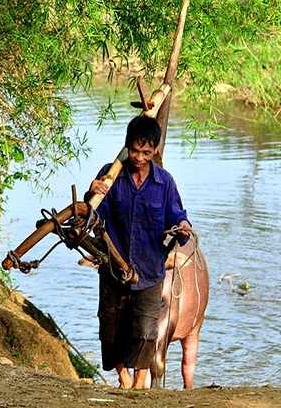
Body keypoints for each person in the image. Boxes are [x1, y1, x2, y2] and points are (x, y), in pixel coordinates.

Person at [85, 115, 191, 389]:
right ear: (126, 146)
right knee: (110, 330)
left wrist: (182, 226)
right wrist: (91, 194)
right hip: (113, 272)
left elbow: (177, 214)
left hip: (149, 273)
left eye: (146, 152)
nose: (139, 157)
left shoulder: (165, 182)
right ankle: (123, 378)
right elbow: (93, 216)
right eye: (134, 150)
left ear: (155, 150)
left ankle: (139, 384)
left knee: (145, 332)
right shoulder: (111, 175)